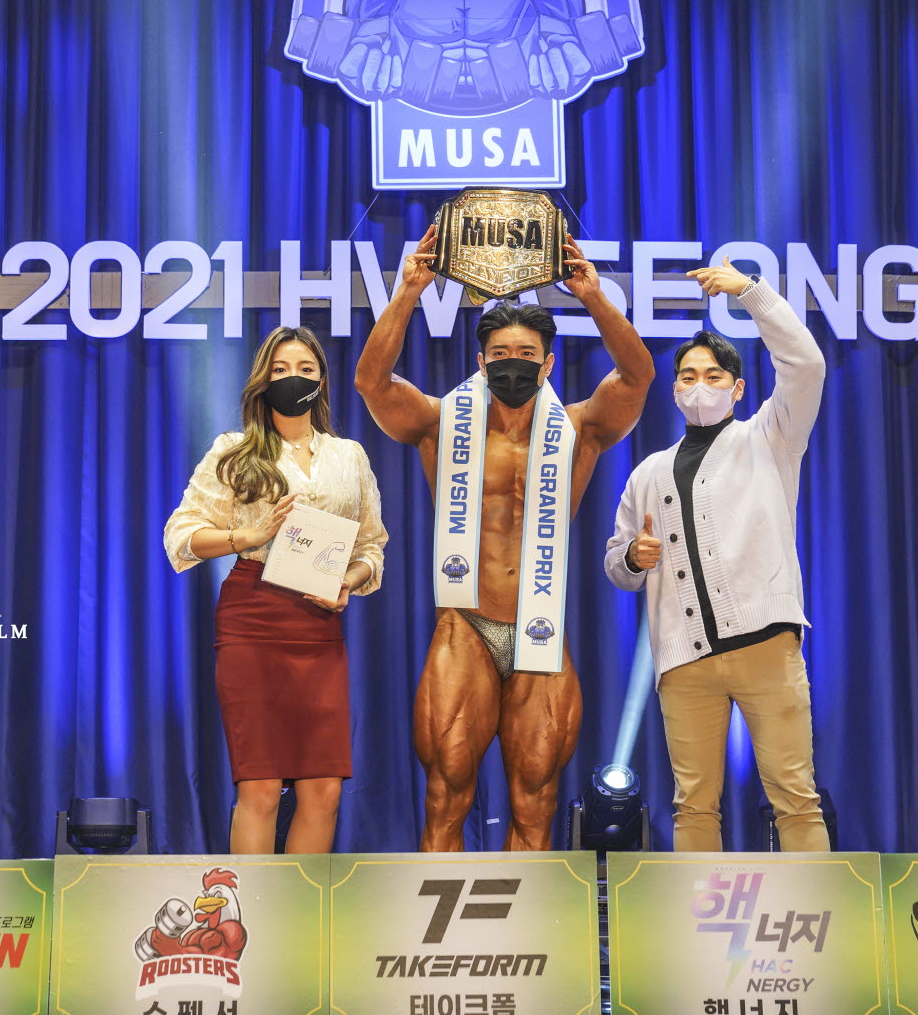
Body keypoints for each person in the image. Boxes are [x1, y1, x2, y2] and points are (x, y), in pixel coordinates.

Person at [354, 225, 653, 850]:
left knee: (535, 801)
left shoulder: (581, 428)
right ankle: (442, 918)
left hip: (540, 628)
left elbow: (636, 378)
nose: (511, 363)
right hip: (464, 626)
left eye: (525, 354)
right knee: (446, 795)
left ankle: (526, 918)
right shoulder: (441, 424)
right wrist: (409, 291)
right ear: (481, 362)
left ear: (548, 363)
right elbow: (373, 385)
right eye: (499, 353)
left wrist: (593, 297)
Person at [604, 260, 830, 852]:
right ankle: (700, 913)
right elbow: (617, 564)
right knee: (692, 806)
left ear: (738, 388)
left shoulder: (770, 437)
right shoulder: (648, 472)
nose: (698, 385)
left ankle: (816, 908)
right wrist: (633, 557)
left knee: (795, 796)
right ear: (674, 389)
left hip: (765, 645)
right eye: (687, 376)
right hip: (684, 659)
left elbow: (806, 364)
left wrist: (751, 293)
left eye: (712, 375)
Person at [164, 326, 388, 854]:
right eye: (280, 369)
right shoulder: (233, 451)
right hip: (253, 616)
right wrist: (250, 535)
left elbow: (372, 546)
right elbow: (181, 535)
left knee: (324, 789)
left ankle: (301, 905)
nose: (293, 378)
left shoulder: (349, 455)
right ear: (263, 380)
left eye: (306, 369)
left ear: (322, 381)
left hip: (318, 622)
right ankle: (252, 904)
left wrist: (347, 583)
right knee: (261, 787)